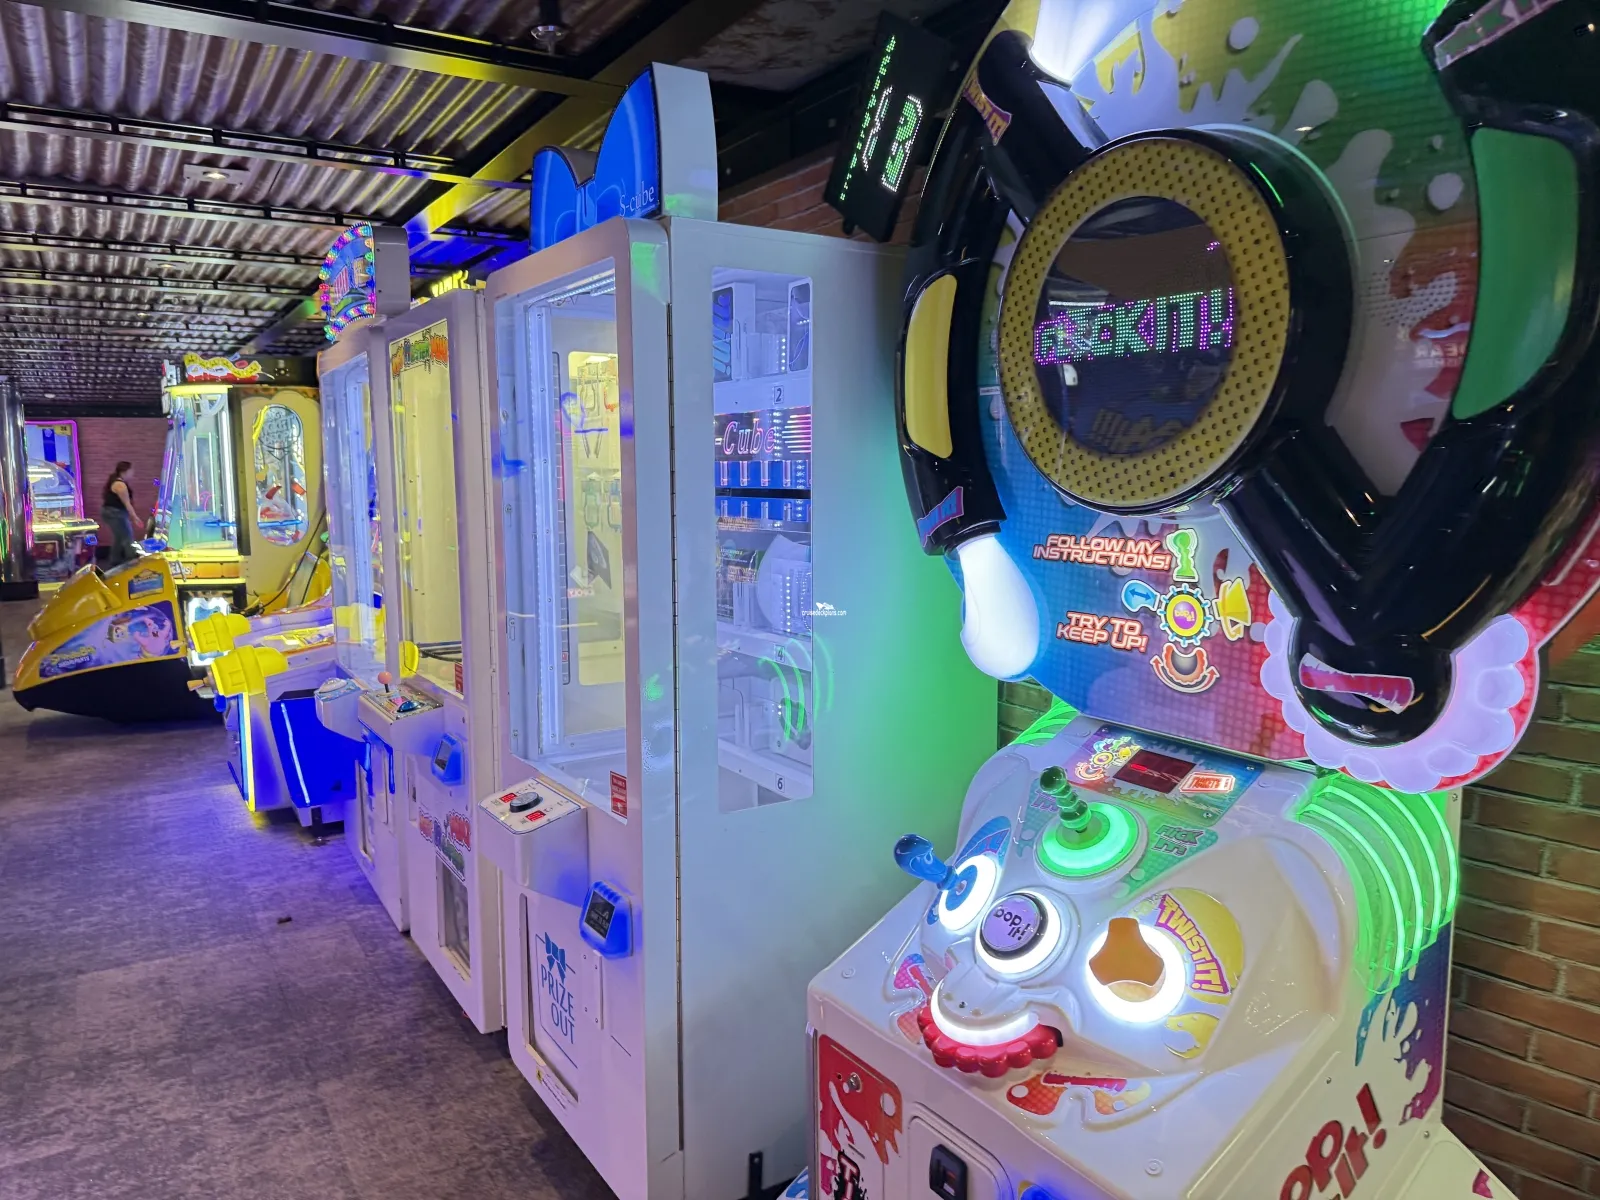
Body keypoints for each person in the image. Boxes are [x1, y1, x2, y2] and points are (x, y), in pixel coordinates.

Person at [101, 461, 139, 567]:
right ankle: (132, 562)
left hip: (112, 512)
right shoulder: (120, 485)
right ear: (124, 471)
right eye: (131, 470)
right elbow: (127, 503)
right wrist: (135, 517)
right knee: (127, 536)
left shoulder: (117, 481)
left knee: (119, 537)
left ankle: (115, 561)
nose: (133, 472)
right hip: (115, 513)